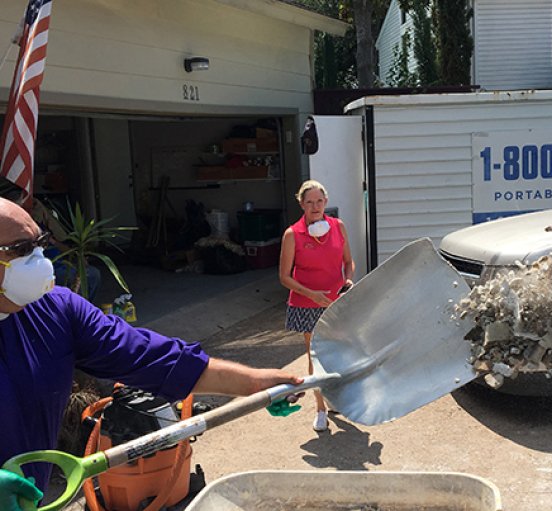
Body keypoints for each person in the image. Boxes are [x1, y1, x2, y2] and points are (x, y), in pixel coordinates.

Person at [0, 197, 303, 510]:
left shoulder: (53, 309)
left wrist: (254, 383)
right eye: (22, 249)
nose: (40, 260)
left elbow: (150, 357)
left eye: (40, 244)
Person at [279, 180, 354, 432]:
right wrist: (312, 294)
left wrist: (348, 281)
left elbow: (349, 263)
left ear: (325, 202)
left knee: (338, 353)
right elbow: (284, 277)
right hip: (307, 304)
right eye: (309, 202)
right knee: (316, 355)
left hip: (336, 301)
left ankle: (332, 398)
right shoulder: (293, 234)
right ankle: (320, 409)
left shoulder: (338, 226)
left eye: (319, 201)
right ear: (301, 204)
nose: (315, 206)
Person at [28, 198, 101, 302]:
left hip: (62, 264)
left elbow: (61, 243)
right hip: (46, 269)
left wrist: (78, 255)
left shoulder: (46, 226)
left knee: (93, 274)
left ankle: (85, 308)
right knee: (71, 279)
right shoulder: (26, 230)